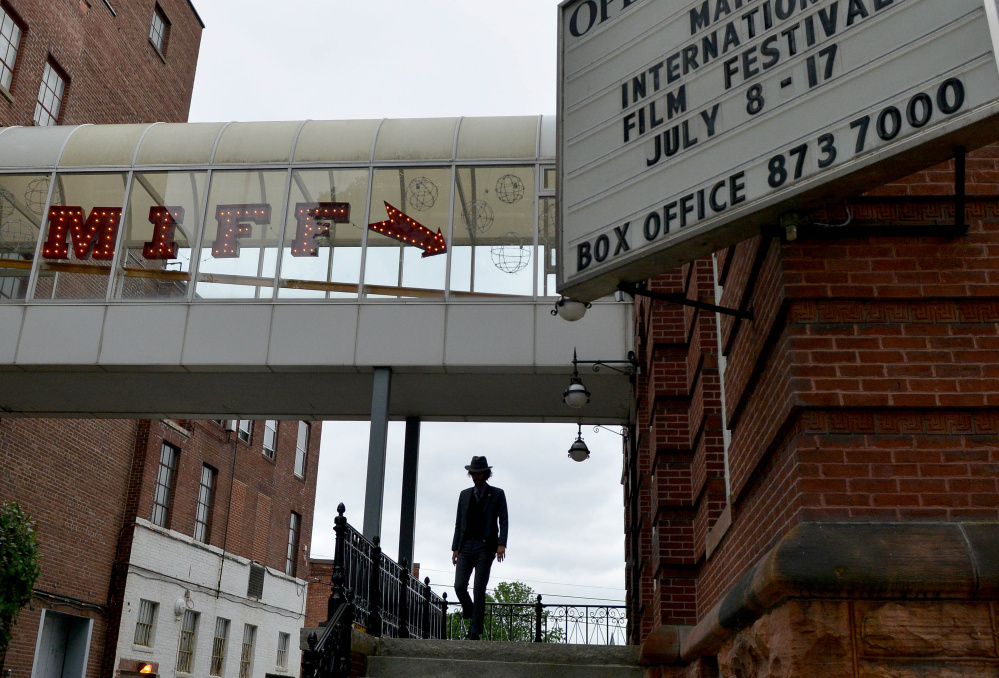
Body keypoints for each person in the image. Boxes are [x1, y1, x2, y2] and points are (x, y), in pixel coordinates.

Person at [451, 455, 508, 640]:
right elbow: (459, 522)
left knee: (478, 589)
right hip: (466, 546)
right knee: (459, 586)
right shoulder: (464, 494)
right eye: (472, 473)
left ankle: (474, 632)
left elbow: (504, 520)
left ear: (485, 473)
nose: (475, 476)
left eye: (478, 473)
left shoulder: (497, 494)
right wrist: (455, 548)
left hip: (486, 546)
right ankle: (470, 609)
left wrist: (501, 544)